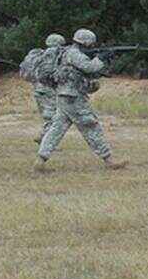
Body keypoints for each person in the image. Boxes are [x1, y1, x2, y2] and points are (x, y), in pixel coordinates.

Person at [34, 28, 127, 172]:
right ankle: (109, 160)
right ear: (86, 43)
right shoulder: (74, 54)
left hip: (64, 95)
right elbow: (89, 68)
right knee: (90, 125)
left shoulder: (67, 52)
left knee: (56, 129)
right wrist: (101, 58)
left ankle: (40, 160)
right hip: (73, 97)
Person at [19, 33, 65, 143]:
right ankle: (46, 140)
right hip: (49, 88)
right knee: (53, 116)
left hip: (38, 89)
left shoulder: (39, 55)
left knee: (48, 116)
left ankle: (44, 136)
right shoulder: (54, 56)